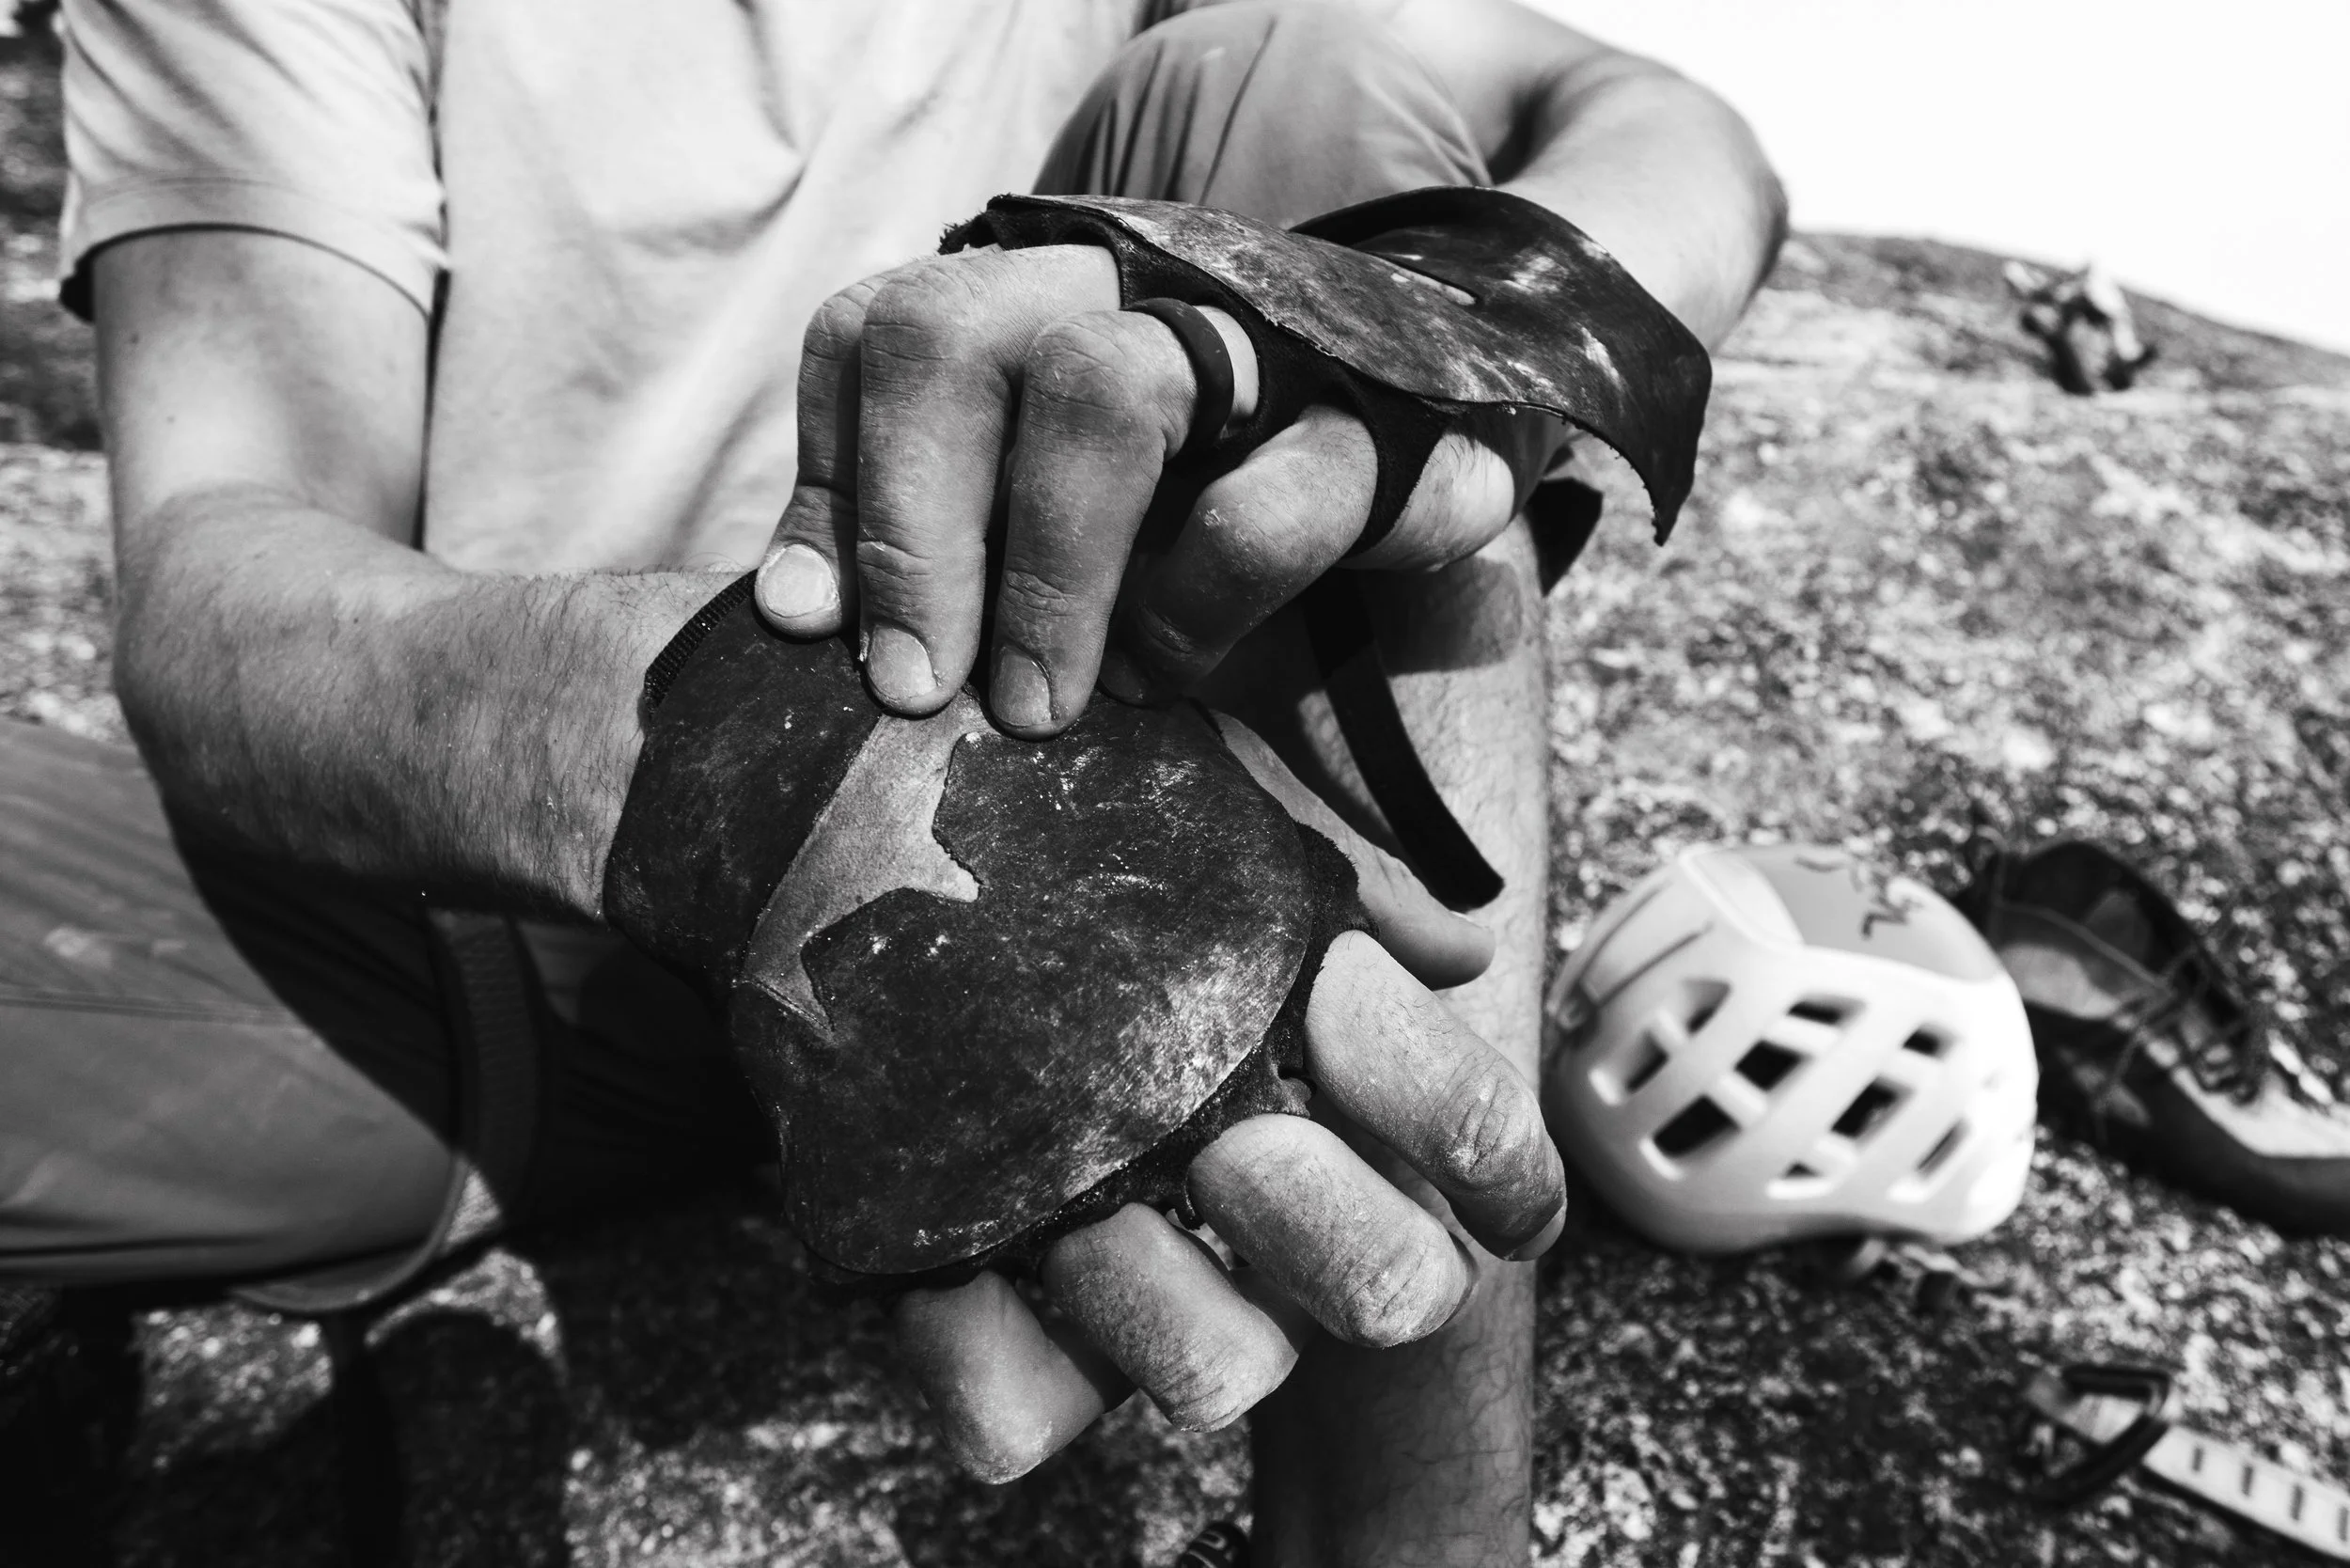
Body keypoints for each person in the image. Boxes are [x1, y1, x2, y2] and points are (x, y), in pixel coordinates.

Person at [3, 2, 1782, 1561]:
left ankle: (1411, 1552)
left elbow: (1677, 141)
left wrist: (1469, 326)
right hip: (453, 933)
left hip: (1088, 838)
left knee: (1330, 234)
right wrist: (740, 758)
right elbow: (223, 582)